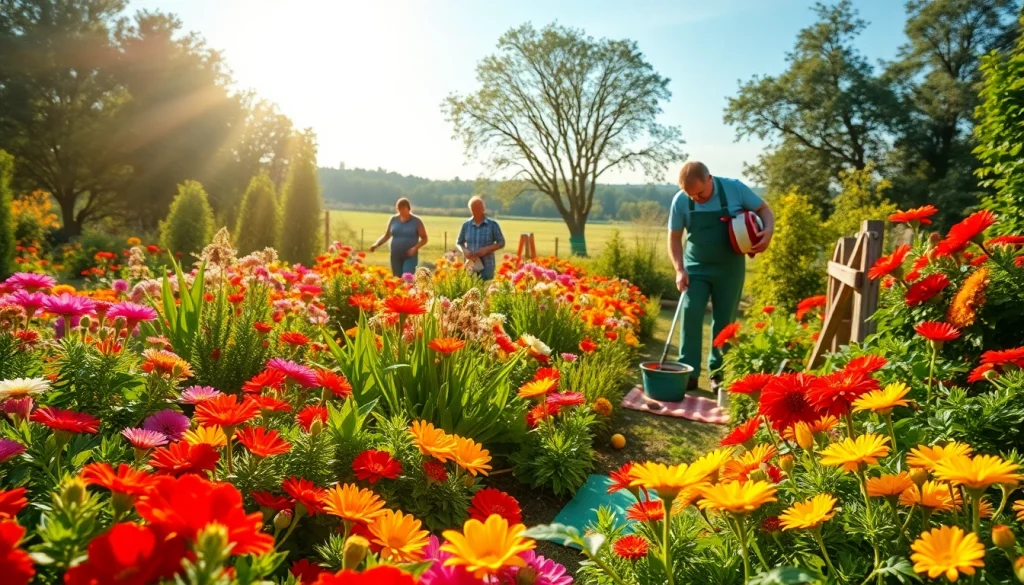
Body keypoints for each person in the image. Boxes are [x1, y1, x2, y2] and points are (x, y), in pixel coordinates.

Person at [667, 161, 775, 392]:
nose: (696, 198)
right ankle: (689, 372)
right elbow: (675, 237)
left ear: (709, 179)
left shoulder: (734, 188)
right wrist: (679, 269)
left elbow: (764, 210)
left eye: (700, 193)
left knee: (724, 321)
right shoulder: (681, 200)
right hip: (695, 267)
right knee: (691, 315)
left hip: (730, 268)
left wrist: (768, 232)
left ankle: (718, 374)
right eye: (691, 195)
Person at [369, 198, 428, 277]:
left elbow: (424, 238)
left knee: (407, 277)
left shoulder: (416, 221)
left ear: (408, 208)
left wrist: (415, 248)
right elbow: (387, 235)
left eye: (403, 208)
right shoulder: (393, 219)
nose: (401, 211)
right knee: (397, 278)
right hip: (395, 255)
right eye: (399, 209)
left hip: (409, 255)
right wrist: (376, 245)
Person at [456, 196, 505, 281]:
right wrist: (464, 250)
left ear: (483, 209)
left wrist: (486, 249)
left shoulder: (492, 225)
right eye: (474, 209)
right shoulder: (466, 225)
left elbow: (501, 242)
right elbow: (459, 242)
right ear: (471, 209)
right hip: (470, 265)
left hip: (487, 266)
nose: (476, 211)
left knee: (486, 290)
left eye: (479, 208)